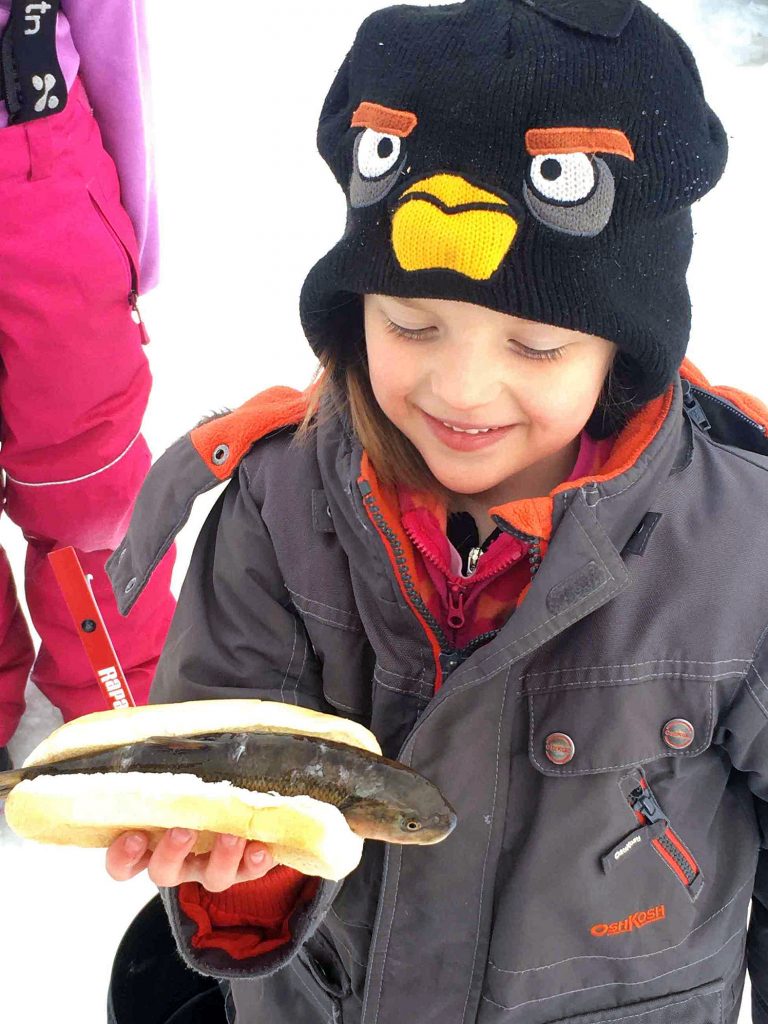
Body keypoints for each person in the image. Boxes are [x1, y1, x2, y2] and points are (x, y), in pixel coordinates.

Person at [104, 1, 768, 1021]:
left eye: (537, 348)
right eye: (412, 324)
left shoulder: (742, 550)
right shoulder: (281, 509)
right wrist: (238, 869)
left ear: (624, 351)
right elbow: (222, 771)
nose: (461, 390)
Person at [0, 0, 176, 771]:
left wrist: (128, 230)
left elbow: (113, 34)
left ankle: (114, 704)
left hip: (37, 169)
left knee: (90, 479)